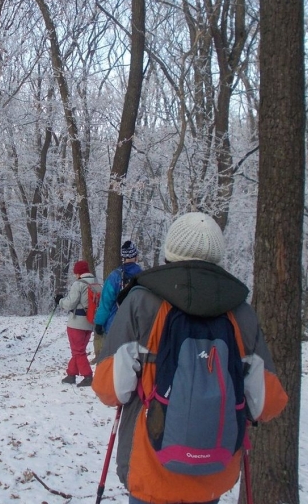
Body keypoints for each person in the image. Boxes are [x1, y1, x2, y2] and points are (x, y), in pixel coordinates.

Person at [91, 212, 288, 504]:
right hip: (213, 473)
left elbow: (111, 389)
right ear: (217, 255)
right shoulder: (241, 312)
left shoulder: (141, 302)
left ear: (170, 251)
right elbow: (267, 403)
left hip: (150, 469)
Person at [92, 239, 143, 358]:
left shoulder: (114, 276)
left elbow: (106, 303)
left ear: (123, 258)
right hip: (136, 327)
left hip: (114, 326)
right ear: (135, 257)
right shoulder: (143, 276)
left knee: (113, 363)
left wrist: (99, 323)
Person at [57, 260, 99, 387]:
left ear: (78, 272)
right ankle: (71, 374)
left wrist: (59, 301)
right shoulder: (96, 283)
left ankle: (87, 376)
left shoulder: (78, 284)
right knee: (79, 350)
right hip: (90, 322)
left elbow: (71, 303)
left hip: (76, 323)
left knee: (78, 351)